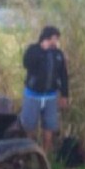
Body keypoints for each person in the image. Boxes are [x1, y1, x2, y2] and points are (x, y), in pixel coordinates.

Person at [20, 25, 69, 153]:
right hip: (33, 95)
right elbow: (26, 63)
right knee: (29, 127)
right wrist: (42, 50)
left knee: (49, 127)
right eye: (53, 38)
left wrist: (64, 95)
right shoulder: (33, 49)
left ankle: (45, 156)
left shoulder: (58, 54)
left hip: (51, 96)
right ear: (46, 38)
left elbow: (63, 75)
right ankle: (28, 154)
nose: (55, 42)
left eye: (57, 39)